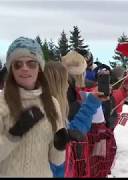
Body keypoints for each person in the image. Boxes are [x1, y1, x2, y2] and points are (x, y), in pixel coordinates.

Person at [0, 37, 68, 176]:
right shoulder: (2, 103)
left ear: (39, 68)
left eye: (31, 63)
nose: (24, 68)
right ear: (11, 69)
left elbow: (57, 160)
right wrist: (14, 135)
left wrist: (60, 143)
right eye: (18, 64)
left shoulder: (51, 103)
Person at [44, 61, 108, 177]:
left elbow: (71, 132)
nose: (68, 86)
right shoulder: (44, 118)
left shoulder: (55, 112)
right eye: (65, 81)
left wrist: (92, 102)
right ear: (56, 84)